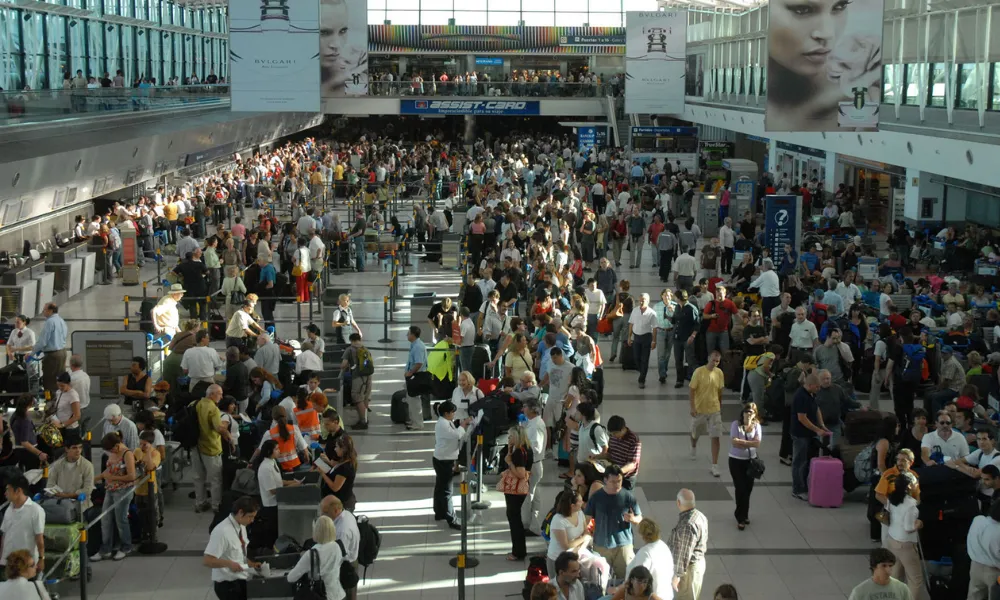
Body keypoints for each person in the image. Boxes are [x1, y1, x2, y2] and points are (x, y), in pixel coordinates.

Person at [584, 464, 642, 580]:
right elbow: (586, 519)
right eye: (613, 482)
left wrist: (632, 519)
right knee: (601, 580)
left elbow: (640, 518)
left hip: (623, 545)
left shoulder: (627, 496)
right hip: (601, 545)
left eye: (619, 481)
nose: (617, 485)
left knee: (625, 578)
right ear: (605, 480)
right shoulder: (597, 497)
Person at [203, 495, 261, 600]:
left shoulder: (241, 526)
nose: (252, 520)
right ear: (240, 512)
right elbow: (207, 560)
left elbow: (238, 553)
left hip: (241, 580)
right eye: (250, 516)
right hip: (227, 585)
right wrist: (229, 564)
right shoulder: (222, 532)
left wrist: (251, 564)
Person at [91, 432, 136, 561]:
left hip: (123, 490)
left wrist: (112, 478)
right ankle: (106, 548)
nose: (110, 452)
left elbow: (132, 476)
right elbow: (108, 471)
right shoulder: (112, 453)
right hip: (110, 489)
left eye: (111, 449)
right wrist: (94, 479)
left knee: (120, 519)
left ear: (117, 445)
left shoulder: (127, 454)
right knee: (105, 519)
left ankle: (126, 546)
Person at [883, 472, 925, 600]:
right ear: (910, 486)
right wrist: (919, 524)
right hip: (906, 545)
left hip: (892, 539)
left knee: (895, 577)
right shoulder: (911, 505)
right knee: (915, 579)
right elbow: (908, 528)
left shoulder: (891, 499)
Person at [790, 373, 831, 500]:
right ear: (810, 385)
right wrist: (817, 430)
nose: (819, 389)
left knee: (807, 460)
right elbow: (802, 418)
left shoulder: (811, 394)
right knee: (800, 461)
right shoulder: (800, 396)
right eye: (817, 387)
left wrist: (822, 425)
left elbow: (816, 408)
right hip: (800, 434)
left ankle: (806, 485)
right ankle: (798, 489)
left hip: (809, 434)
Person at [432, 400, 472, 531]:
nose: (454, 414)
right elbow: (456, 435)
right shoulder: (442, 425)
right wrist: (464, 425)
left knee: (440, 487)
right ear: (446, 413)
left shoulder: (444, 421)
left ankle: (439, 512)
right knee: (447, 491)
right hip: (444, 461)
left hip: (442, 458)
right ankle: (451, 519)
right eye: (452, 412)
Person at [287, 515, 346, 600]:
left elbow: (291, 578)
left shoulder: (311, 554)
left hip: (320, 595)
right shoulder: (338, 547)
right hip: (338, 595)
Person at [193, 384, 230, 513]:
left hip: (195, 445)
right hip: (211, 447)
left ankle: (200, 503)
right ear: (212, 394)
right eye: (219, 393)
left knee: (198, 477)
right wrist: (228, 436)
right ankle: (216, 505)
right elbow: (218, 428)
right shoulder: (213, 408)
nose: (221, 396)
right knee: (215, 479)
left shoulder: (195, 403)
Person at [689, 351, 725, 477]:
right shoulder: (699, 372)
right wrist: (693, 407)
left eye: (717, 361)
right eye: (713, 360)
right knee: (695, 433)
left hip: (714, 410)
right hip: (700, 409)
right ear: (708, 358)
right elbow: (692, 390)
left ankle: (714, 465)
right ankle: (693, 445)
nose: (715, 363)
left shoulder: (719, 373)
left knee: (716, 436)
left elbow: (720, 390)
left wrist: (720, 405)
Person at [0, 473, 45, 573]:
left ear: (18, 491)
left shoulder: (36, 510)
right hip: (8, 562)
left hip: (26, 564)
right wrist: (1, 559)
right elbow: (4, 535)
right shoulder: (9, 509)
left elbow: (39, 537)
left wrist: (42, 559)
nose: (5, 493)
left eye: (8, 489)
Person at [667, 489, 707, 600]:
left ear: (678, 503)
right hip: (696, 565)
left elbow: (684, 553)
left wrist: (676, 575)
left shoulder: (687, 524)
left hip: (689, 570)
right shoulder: (700, 516)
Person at [728, 403, 761, 530]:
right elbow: (733, 442)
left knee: (748, 489)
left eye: (751, 412)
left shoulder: (757, 426)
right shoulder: (736, 425)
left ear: (755, 414)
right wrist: (749, 443)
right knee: (740, 488)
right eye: (746, 411)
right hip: (735, 460)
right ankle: (740, 517)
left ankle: (744, 513)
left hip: (751, 461)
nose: (748, 414)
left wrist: (742, 442)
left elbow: (757, 444)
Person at [623, 519, 673, 600]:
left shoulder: (645, 553)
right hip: (667, 595)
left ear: (642, 535)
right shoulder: (663, 546)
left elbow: (638, 581)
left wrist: (618, 590)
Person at [504, 426, 534, 561]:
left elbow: (521, 473)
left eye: (510, 436)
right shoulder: (526, 449)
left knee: (514, 519)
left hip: (515, 489)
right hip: (520, 489)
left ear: (516, 437)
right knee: (515, 518)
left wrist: (509, 463)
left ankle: (518, 551)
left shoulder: (519, 453)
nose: (508, 438)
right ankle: (519, 550)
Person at [46, 432, 95, 512]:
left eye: (80, 447)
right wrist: (61, 495)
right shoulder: (57, 465)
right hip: (60, 505)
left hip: (81, 506)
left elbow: (88, 489)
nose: (78, 451)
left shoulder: (88, 465)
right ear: (66, 449)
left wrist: (68, 495)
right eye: (74, 448)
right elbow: (50, 486)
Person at [522, 397, 547, 536]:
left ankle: (526, 525)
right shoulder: (533, 423)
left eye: (525, 406)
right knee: (534, 495)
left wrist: (521, 447)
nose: (523, 409)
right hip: (535, 464)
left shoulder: (536, 425)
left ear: (532, 409)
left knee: (527, 496)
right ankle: (535, 526)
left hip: (532, 464)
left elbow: (535, 447)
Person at [847, 548, 913, 600]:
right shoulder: (859, 592)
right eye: (883, 566)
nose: (888, 570)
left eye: (890, 566)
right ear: (874, 567)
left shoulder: (902, 589)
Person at [966, 499, 1000, 600]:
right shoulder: (998, 531)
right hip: (995, 571)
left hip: (975, 567)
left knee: (974, 596)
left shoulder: (978, 520)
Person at [33, 302, 68, 397]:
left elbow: (42, 341)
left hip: (52, 356)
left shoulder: (50, 322)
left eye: (44, 310)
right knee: (60, 378)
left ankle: (50, 402)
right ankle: (60, 399)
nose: (43, 312)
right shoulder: (61, 320)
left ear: (50, 311)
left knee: (49, 380)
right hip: (62, 353)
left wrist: (32, 353)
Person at [627, 293, 658, 389]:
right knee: (636, 358)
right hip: (637, 337)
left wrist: (654, 341)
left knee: (645, 359)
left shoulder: (652, 313)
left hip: (646, 338)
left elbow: (654, 328)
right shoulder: (635, 310)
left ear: (648, 301)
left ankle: (642, 379)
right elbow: (631, 324)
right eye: (639, 300)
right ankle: (642, 371)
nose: (641, 302)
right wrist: (629, 336)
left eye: (643, 300)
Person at [318, 434, 357, 511]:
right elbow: (336, 467)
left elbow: (335, 487)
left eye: (337, 447)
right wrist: (328, 462)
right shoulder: (345, 460)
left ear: (343, 449)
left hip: (342, 504)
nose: (335, 449)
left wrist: (322, 474)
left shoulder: (346, 468)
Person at [404, 326, 430, 431]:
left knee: (414, 400)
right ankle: (414, 420)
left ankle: (418, 423)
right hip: (414, 375)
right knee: (411, 399)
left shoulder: (418, 347)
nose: (407, 335)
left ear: (413, 335)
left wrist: (410, 373)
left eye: (408, 333)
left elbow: (419, 363)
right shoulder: (415, 345)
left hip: (416, 376)